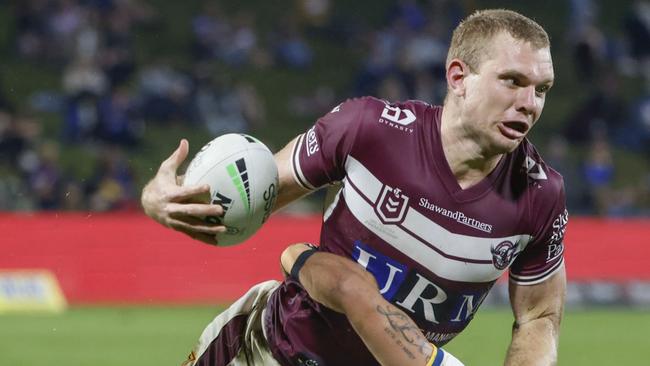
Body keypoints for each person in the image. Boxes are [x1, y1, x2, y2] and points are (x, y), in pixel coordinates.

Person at [142, 9, 567, 366]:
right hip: (270, 351)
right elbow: (254, 194)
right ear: (459, 77)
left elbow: (539, 316)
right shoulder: (369, 130)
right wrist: (162, 198)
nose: (530, 103)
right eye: (512, 81)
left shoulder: (541, 195)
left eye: (541, 89)